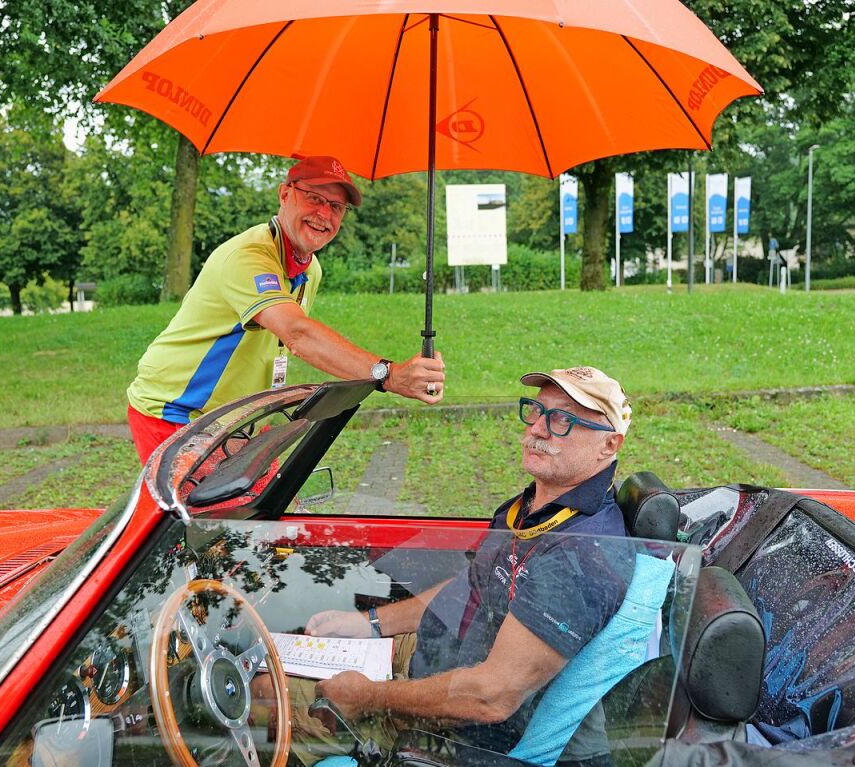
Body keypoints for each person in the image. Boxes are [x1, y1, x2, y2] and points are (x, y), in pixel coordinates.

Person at [277, 365, 634, 766]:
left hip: (454, 724)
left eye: (563, 420)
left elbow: (491, 697)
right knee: (276, 661)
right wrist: (372, 624)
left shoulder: (581, 557)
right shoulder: (530, 508)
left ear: (609, 445)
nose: (537, 429)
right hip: (433, 656)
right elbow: (469, 587)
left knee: (262, 696)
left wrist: (368, 697)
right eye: (536, 411)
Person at [126, 155, 446, 463]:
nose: (324, 214)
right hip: (178, 415)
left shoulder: (310, 270)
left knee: (267, 511)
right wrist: (389, 375)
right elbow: (297, 335)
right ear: (284, 194)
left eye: (336, 206)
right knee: (224, 518)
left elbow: (281, 344)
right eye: (314, 198)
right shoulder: (248, 256)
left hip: (235, 422)